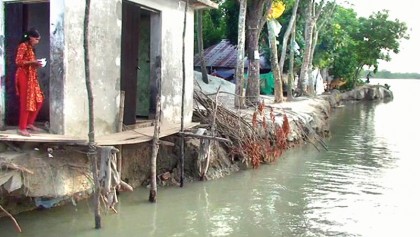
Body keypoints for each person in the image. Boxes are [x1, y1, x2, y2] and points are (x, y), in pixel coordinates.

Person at [15, 28, 44, 136]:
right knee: (26, 101)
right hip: (24, 75)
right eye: (36, 39)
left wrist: (36, 64)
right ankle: (22, 127)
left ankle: (29, 123)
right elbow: (18, 62)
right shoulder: (23, 46)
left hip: (32, 76)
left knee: (38, 100)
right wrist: (33, 62)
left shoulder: (31, 48)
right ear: (31, 38)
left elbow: (30, 62)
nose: (38, 41)